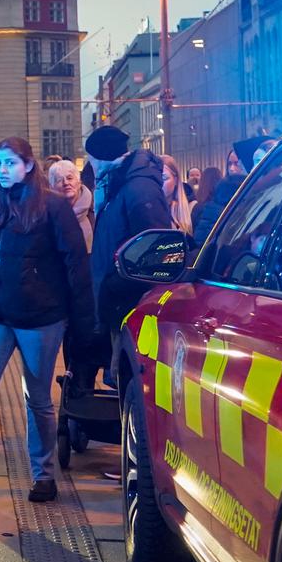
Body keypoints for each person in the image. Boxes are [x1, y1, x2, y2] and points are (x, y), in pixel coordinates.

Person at [0, 138, 94, 510]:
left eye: (10, 162)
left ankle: (43, 475)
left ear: (28, 165)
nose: (2, 169)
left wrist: (84, 322)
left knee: (38, 399)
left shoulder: (53, 208)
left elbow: (76, 266)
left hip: (41, 317)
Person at [81, 125, 173, 391]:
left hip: (128, 298)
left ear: (99, 157)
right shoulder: (122, 183)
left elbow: (153, 244)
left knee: (128, 380)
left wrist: (119, 283)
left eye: (91, 159)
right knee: (119, 377)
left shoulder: (137, 187)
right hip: (117, 296)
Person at [189, 136, 273, 252]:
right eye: (230, 164)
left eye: (237, 163)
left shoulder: (270, 196)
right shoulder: (227, 195)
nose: (253, 168)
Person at [46, 158, 93, 249]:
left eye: (70, 178)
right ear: (52, 187)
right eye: (59, 180)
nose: (66, 183)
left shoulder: (96, 210)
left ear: (79, 182)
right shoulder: (46, 216)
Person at [159, 153, 193, 235]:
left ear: (176, 180)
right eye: (155, 178)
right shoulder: (147, 210)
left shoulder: (193, 210)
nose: (159, 183)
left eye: (164, 178)